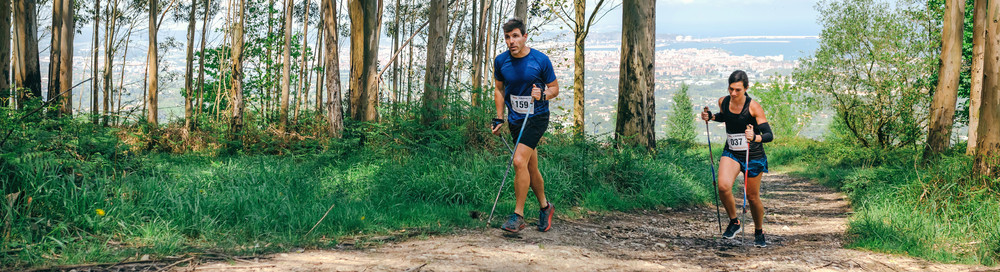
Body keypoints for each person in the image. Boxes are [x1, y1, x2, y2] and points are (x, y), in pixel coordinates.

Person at [490, 18, 560, 233]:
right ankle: (545, 207)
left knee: (519, 161)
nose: (511, 41)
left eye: (515, 36)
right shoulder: (501, 61)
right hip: (516, 120)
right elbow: (500, 90)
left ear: (524, 37)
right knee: (530, 166)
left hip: (537, 118)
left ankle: (517, 216)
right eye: (507, 37)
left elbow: (555, 88)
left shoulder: (540, 60)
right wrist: (499, 117)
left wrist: (543, 94)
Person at [701, 70, 773, 247]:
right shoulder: (723, 101)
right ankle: (735, 222)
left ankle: (758, 231)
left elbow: (769, 135)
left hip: (753, 154)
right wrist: (711, 117)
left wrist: (754, 137)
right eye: (731, 89)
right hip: (732, 151)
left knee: (753, 197)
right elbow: (726, 117)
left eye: (738, 90)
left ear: (746, 88)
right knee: (723, 187)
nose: (733, 93)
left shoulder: (753, 107)